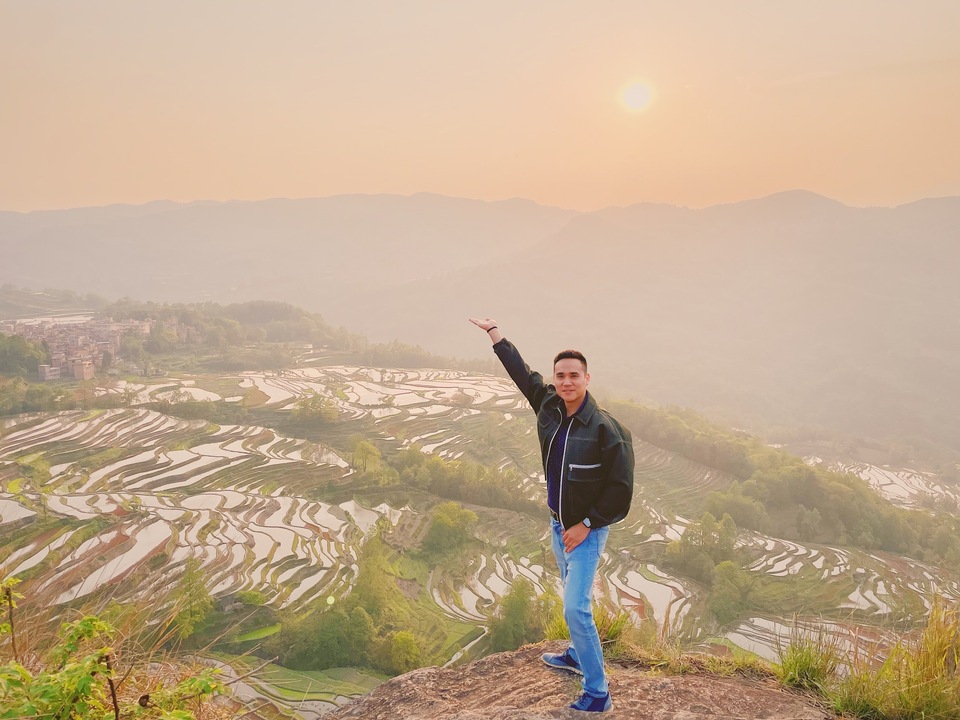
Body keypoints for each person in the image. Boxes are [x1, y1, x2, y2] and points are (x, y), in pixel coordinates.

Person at [469, 318, 634, 713]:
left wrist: (586, 525)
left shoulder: (607, 430)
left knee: (575, 607)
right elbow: (521, 373)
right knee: (572, 595)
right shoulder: (549, 407)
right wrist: (495, 335)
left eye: (574, 375)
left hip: (586, 532)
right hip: (558, 525)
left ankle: (598, 693)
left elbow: (621, 493)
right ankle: (577, 654)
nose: (566, 382)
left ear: (587, 378)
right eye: (560, 376)